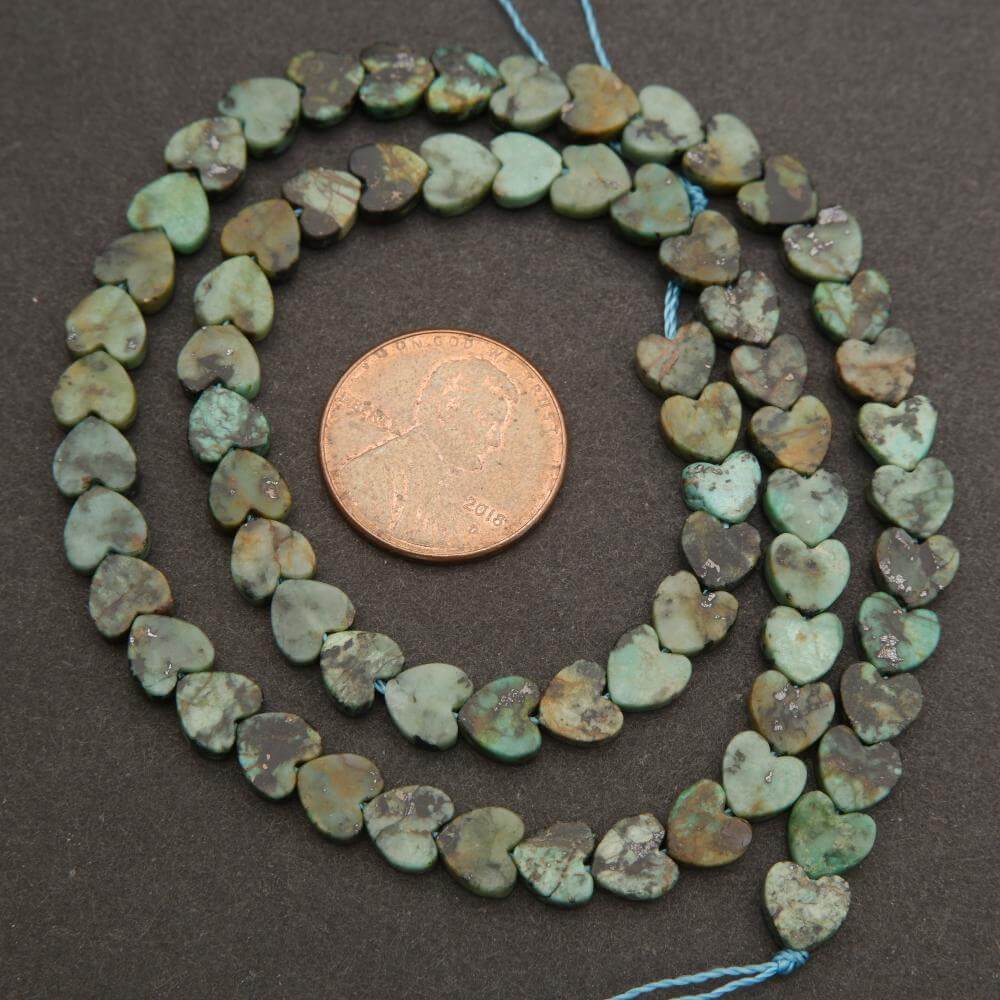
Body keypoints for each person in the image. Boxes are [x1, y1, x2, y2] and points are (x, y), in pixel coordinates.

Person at [336, 357, 519, 548]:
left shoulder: (438, 481)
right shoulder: (371, 475)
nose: (495, 440)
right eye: (489, 421)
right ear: (448, 410)